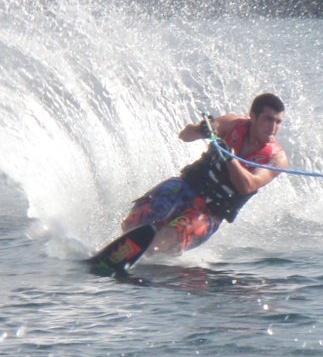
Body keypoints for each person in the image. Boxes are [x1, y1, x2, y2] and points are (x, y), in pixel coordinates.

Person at [120, 92, 288, 255]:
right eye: (268, 119)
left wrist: (229, 157)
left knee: (170, 236)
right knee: (138, 220)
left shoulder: (276, 158)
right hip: (185, 187)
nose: (273, 128)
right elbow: (185, 135)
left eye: (278, 122)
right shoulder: (234, 124)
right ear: (253, 116)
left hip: (209, 212)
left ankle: (140, 256)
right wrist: (202, 130)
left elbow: (248, 185)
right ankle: (120, 251)